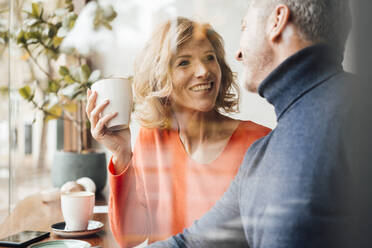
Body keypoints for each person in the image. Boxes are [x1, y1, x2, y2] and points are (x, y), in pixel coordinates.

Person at [149, 0, 354, 247]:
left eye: (245, 27)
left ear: (277, 22)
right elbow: (191, 243)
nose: (238, 53)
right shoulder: (260, 158)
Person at [85, 17, 270, 247]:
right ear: (161, 79)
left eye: (209, 58)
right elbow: (130, 237)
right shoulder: (151, 138)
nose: (203, 71)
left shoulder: (259, 142)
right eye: (184, 63)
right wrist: (122, 154)